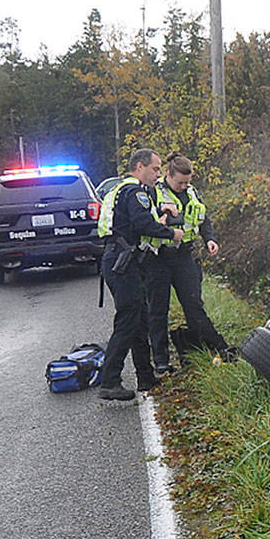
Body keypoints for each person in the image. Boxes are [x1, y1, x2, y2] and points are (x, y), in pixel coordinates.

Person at [95, 148, 183, 401]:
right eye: (155, 169)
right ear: (140, 167)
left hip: (121, 260)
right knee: (128, 319)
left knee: (139, 319)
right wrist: (170, 234)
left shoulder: (121, 189)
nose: (158, 174)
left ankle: (145, 376)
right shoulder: (135, 192)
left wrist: (162, 209)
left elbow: (136, 219)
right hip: (122, 262)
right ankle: (110, 381)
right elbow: (142, 223)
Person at [145, 153, 232, 373]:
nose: (184, 186)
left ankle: (218, 347)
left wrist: (210, 239)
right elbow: (144, 221)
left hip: (185, 256)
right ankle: (162, 360)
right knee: (158, 310)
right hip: (159, 258)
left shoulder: (192, 192)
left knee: (194, 306)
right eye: (180, 182)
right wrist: (161, 214)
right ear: (168, 175)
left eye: (187, 182)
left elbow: (204, 219)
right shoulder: (153, 193)